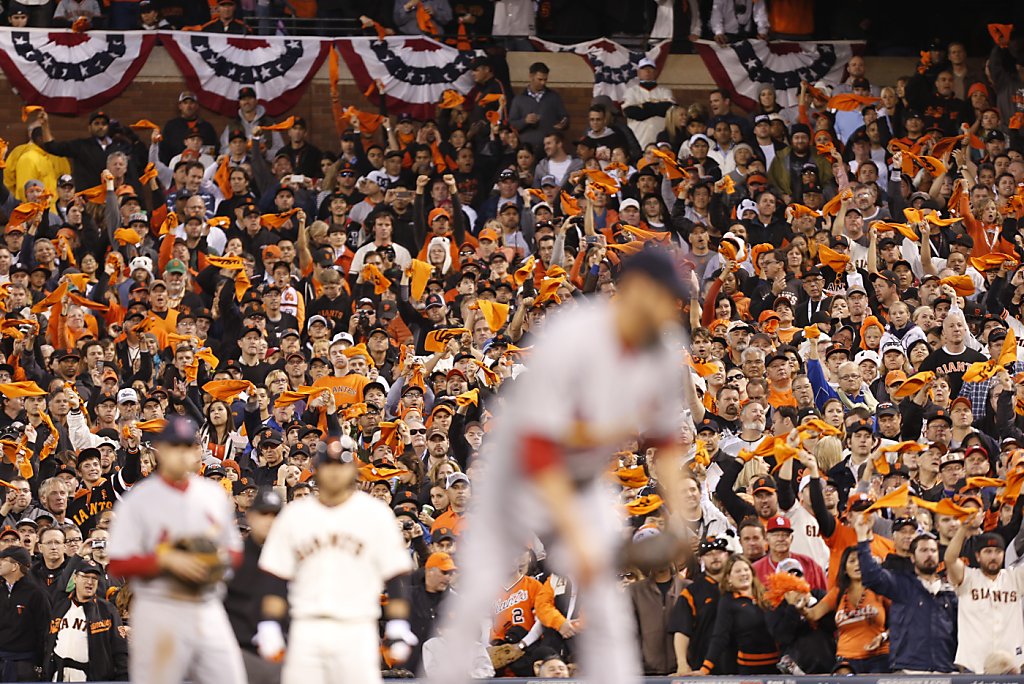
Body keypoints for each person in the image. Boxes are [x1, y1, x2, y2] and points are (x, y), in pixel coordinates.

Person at [428, 249, 689, 684]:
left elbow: (666, 444)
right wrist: (577, 538)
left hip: (581, 479)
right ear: (638, 290)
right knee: (475, 593)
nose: (672, 307)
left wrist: (679, 523)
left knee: (604, 601)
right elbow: (538, 448)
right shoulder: (575, 335)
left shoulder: (659, 351)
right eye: (665, 296)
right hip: (515, 475)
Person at [258, 441, 418, 684]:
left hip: (358, 626)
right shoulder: (295, 515)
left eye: (341, 465)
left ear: (352, 470)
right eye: (328, 465)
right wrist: (269, 623)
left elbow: (396, 575)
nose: (334, 471)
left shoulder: (374, 513)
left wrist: (397, 624)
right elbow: (275, 577)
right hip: (306, 627)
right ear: (317, 470)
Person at [107, 415, 247, 684]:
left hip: (205, 605)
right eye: (174, 446)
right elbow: (118, 563)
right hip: (159, 608)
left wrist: (211, 562)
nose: (181, 454)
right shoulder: (138, 499)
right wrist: (166, 559)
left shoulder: (212, 494)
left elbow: (234, 552)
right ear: (161, 450)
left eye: (187, 446)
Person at [853, 511, 957, 673]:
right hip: (909, 669)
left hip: (944, 668)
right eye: (923, 551)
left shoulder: (949, 593)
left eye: (932, 550)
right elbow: (871, 576)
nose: (929, 555)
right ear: (913, 558)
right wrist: (861, 537)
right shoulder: (902, 584)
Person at [944, 512, 1024, 674]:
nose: (993, 556)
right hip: (973, 664)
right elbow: (950, 559)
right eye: (988, 551)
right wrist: (963, 530)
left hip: (1012, 665)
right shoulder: (968, 577)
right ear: (978, 556)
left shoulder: (1014, 577)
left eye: (997, 551)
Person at [224, 487, 287, 684]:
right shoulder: (234, 560)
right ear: (250, 516)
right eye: (264, 513)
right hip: (241, 655)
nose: (270, 520)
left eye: (275, 514)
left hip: (287, 656)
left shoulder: (293, 559)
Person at [43, 559, 129, 681]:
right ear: (75, 578)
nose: (90, 582)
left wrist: (123, 679)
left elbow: (120, 649)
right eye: (85, 577)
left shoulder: (107, 610)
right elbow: (48, 641)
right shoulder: (60, 607)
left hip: (89, 676)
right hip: (58, 674)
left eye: (94, 578)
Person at [0, 545, 50, 681]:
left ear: (15, 566)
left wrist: (39, 663)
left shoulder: (36, 593)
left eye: (3, 559)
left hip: (25, 664)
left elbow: (44, 631)